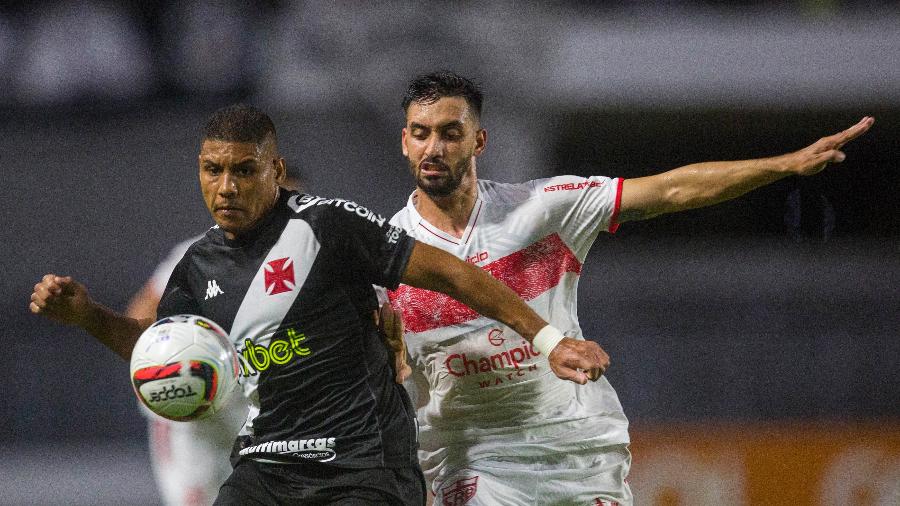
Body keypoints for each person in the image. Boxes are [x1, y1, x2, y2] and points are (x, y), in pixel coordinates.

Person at [30, 104, 609, 505]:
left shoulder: (326, 224)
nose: (226, 186)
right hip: (268, 464)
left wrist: (548, 339)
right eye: (212, 170)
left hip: (362, 465)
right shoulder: (195, 267)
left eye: (243, 170)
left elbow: (451, 274)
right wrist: (88, 317)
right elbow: (158, 350)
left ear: (275, 172)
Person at [388, 71, 874, 505]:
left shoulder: (542, 209)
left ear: (478, 141)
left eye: (451, 134)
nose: (435, 148)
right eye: (421, 133)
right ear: (405, 142)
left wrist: (784, 165)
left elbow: (671, 190)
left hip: (576, 447)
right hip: (472, 461)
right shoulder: (382, 252)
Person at [125, 170, 299, 506]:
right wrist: (167, 358)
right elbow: (141, 312)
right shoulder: (201, 255)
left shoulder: (309, 259)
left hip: (260, 412)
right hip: (196, 412)